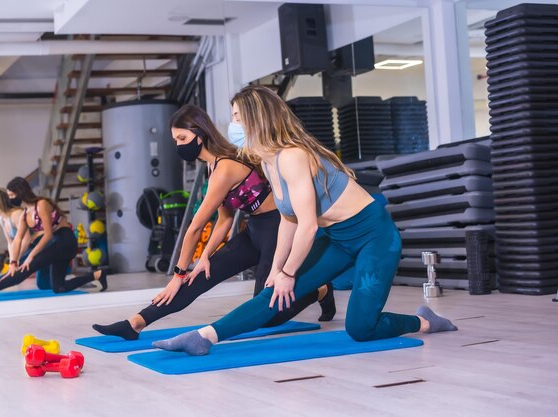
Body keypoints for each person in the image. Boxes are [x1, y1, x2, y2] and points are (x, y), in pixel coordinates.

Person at [153, 86, 458, 356]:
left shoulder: (292, 155)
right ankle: (204, 337)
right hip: (336, 238)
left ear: (256, 119)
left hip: (374, 237)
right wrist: (276, 270)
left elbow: (308, 225)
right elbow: (288, 219)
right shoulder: (268, 160)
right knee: (272, 294)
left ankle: (425, 321)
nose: (232, 125)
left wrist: (288, 271)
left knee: (360, 329)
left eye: (236, 117)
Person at [92, 104, 335, 341]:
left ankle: (320, 290)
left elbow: (195, 227)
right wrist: (205, 256)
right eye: (176, 140)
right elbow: (224, 219)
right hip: (254, 230)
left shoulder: (225, 168)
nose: (179, 145)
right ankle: (135, 323)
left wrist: (177, 274)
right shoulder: (213, 165)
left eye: (182, 138)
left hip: (277, 228)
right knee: (198, 277)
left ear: (200, 133)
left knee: (267, 314)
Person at [0, 177, 107, 294]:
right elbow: (17, 239)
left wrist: (31, 256)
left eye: (11, 196)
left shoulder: (41, 204)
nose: (9, 199)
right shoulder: (25, 214)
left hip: (65, 241)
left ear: (20, 193)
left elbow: (48, 235)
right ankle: (98, 275)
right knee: (59, 288)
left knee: (27, 267)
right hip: (55, 244)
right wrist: (13, 263)